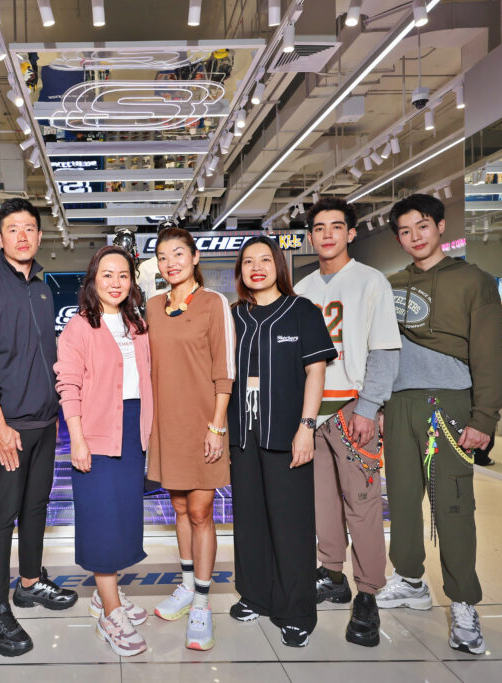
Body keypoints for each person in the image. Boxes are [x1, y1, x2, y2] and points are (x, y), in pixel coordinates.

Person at [378, 194, 502, 655]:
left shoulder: (474, 280)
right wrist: (378, 404)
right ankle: (410, 579)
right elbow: (381, 352)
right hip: (398, 405)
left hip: (447, 405)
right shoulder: (390, 285)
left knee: (452, 506)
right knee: (402, 501)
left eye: (422, 226)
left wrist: (484, 416)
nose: (415, 236)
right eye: (405, 230)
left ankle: (464, 602)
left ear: (439, 226)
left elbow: (490, 353)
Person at [0, 197, 77, 657]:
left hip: (44, 421)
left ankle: (29, 581)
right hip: (7, 425)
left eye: (29, 228)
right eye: (13, 229)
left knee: (36, 507)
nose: (23, 236)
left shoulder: (43, 290)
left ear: (39, 235)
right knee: (2, 514)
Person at [293, 198, 401, 648]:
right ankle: (333, 574)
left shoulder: (371, 281)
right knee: (321, 505)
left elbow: (385, 350)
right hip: (312, 414)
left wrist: (369, 407)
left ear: (351, 233)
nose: (327, 235)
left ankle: (369, 593)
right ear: (310, 236)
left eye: (336, 227)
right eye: (319, 228)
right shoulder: (301, 288)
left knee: (363, 505)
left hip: (352, 411)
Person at [227, 235, 336, 648]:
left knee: (291, 526)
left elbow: (316, 372)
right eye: (248, 261)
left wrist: (307, 427)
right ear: (240, 271)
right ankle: (255, 594)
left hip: (288, 433)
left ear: (278, 266)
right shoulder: (234, 317)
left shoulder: (302, 311)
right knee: (249, 521)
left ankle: (295, 611)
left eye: (265, 260)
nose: (256, 268)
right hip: (243, 434)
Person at [55, 246, 152, 657]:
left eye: (123, 275)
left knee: (125, 516)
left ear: (132, 282)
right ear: (93, 279)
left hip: (131, 433)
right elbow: (68, 385)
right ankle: (111, 613)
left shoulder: (137, 325)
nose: (115, 282)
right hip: (95, 434)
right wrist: (77, 438)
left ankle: (104, 594)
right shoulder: (79, 327)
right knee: (101, 520)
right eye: (107, 274)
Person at [146, 227, 234, 651]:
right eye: (163, 257)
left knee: (201, 512)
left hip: (203, 424)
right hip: (167, 425)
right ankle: (185, 586)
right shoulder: (152, 307)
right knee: (179, 507)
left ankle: (202, 601)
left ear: (195, 257)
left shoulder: (214, 303)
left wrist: (216, 426)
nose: (171, 263)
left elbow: (224, 371)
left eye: (178, 254)